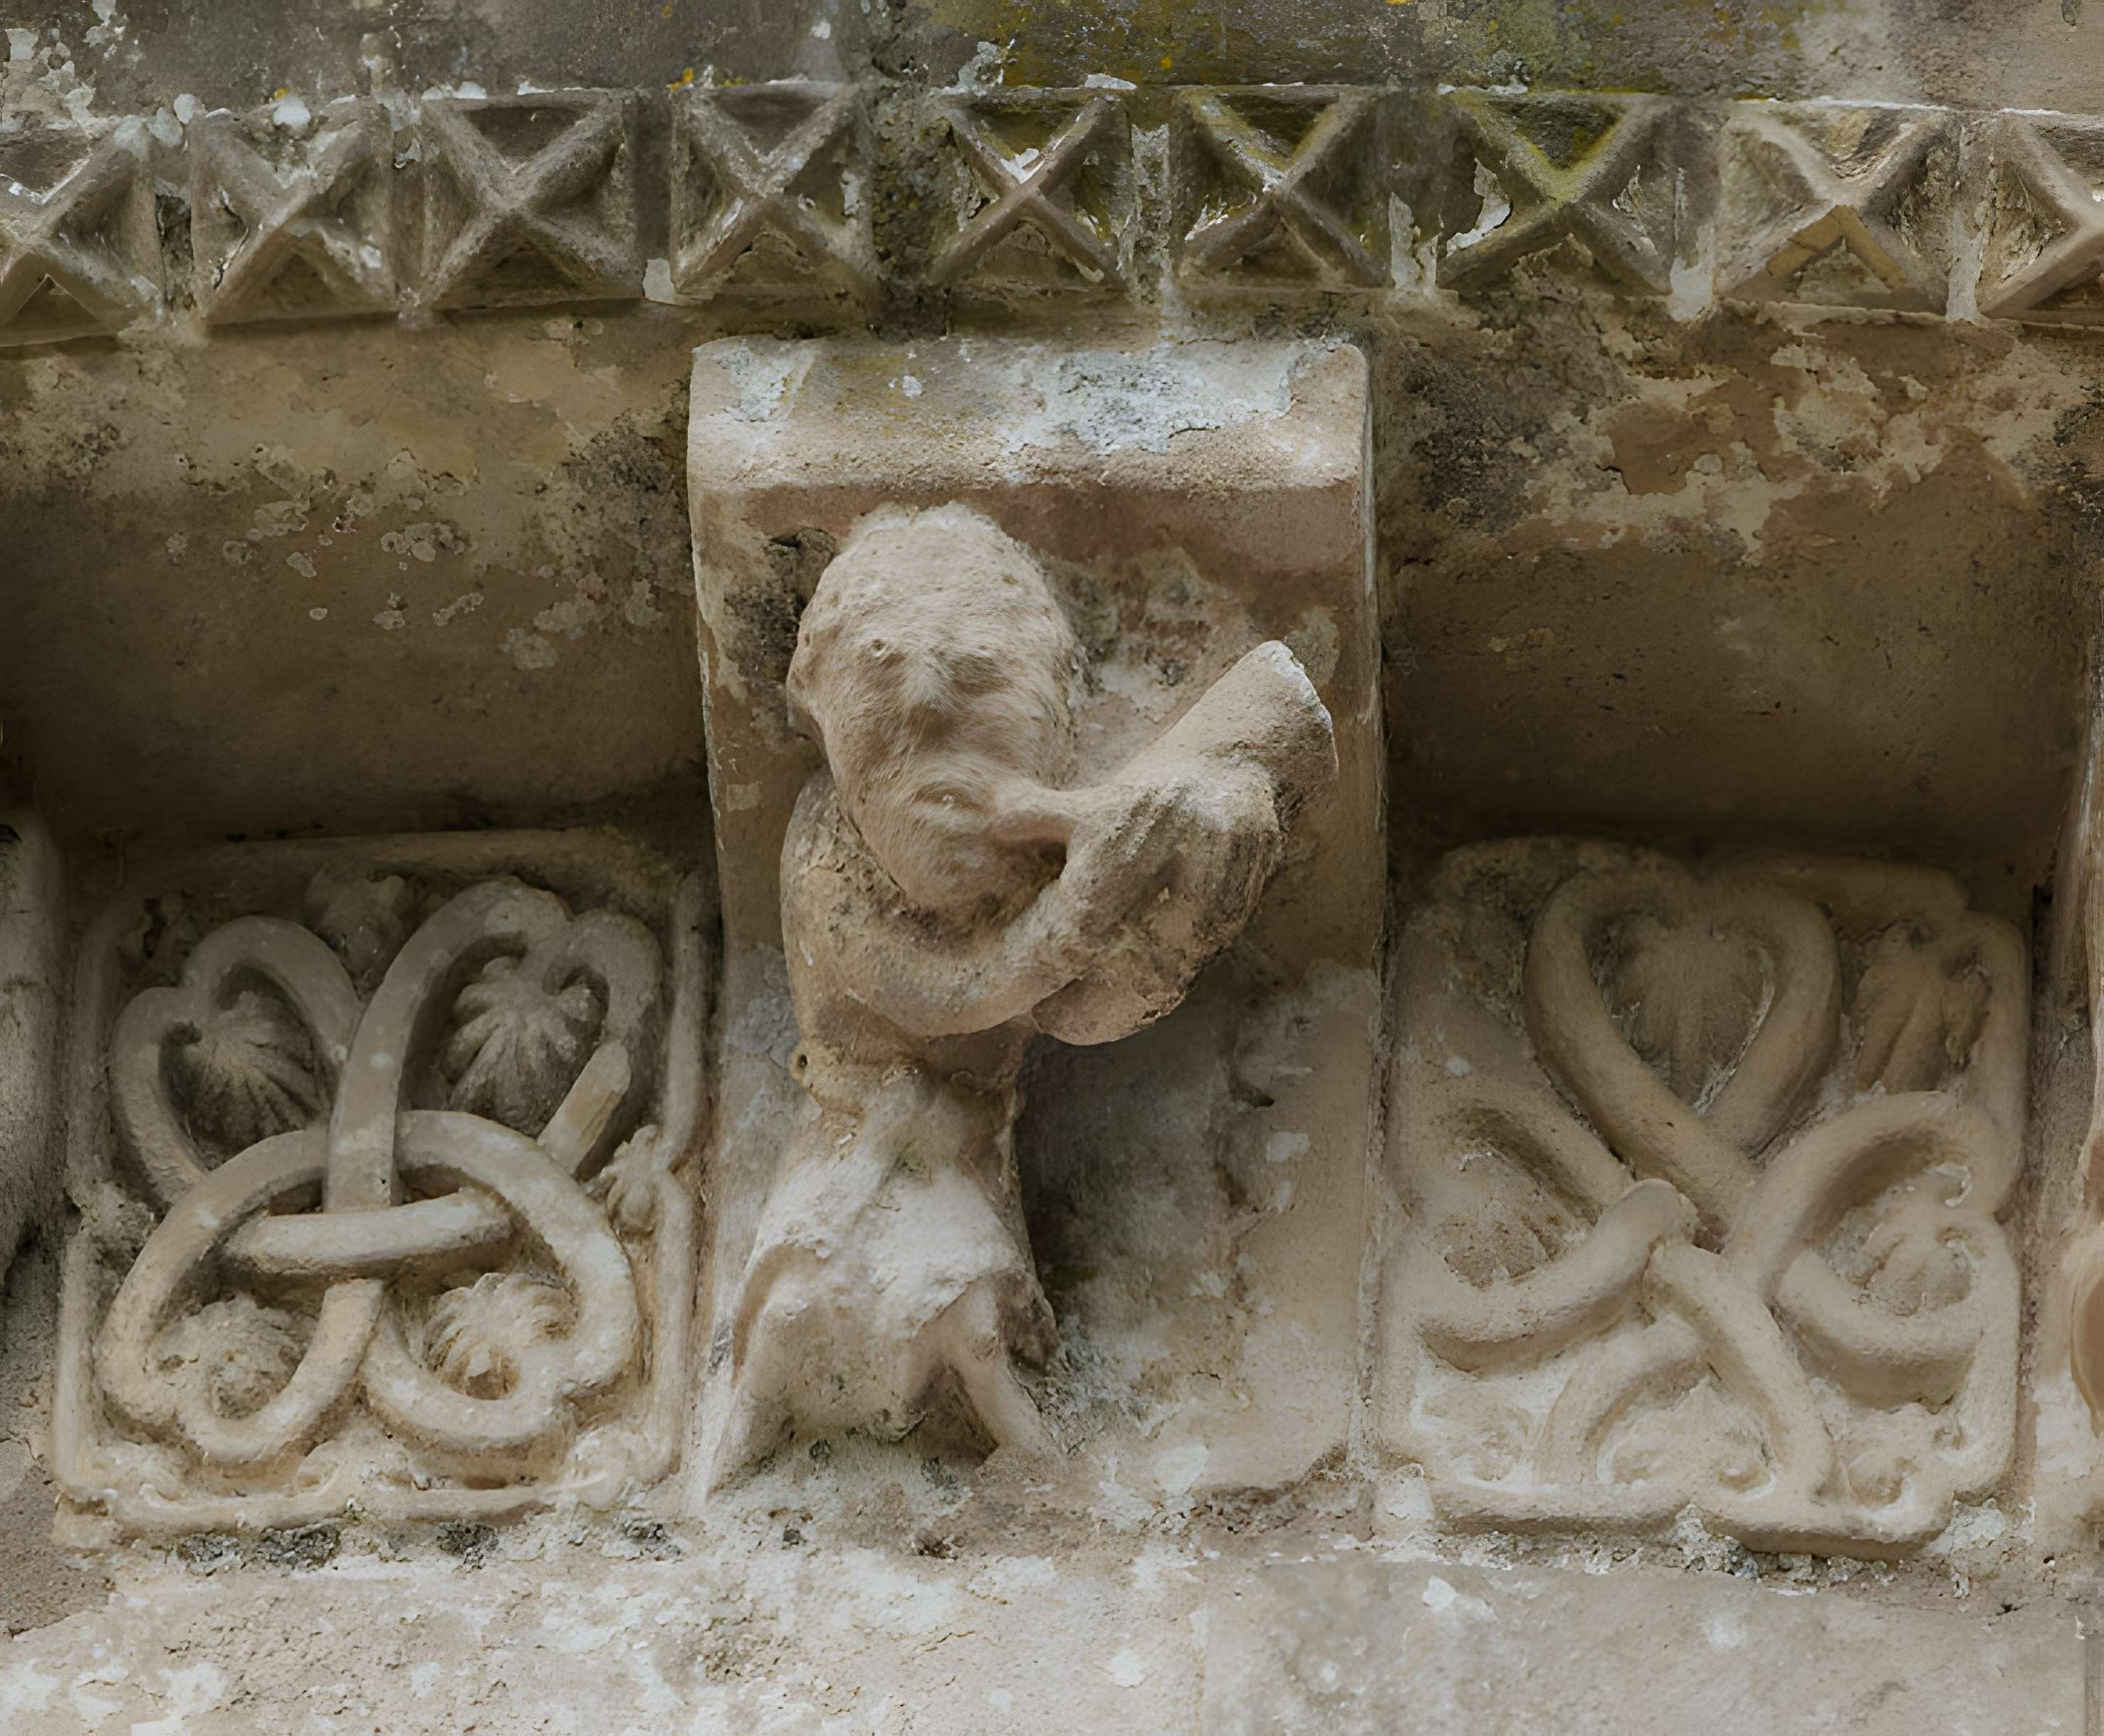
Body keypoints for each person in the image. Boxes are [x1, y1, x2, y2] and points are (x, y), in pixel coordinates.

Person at [714, 503, 1333, 1481]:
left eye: (976, 673)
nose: (921, 700)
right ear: (810, 695)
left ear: (1064, 705)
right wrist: (1085, 901)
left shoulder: (1022, 855)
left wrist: (1193, 895)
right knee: (795, 1305)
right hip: (855, 1132)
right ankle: (729, 1465)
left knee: (967, 1319)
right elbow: (950, 993)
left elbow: (1089, 1011)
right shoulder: (825, 847)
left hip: (960, 1144)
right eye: (879, 666)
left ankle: (1036, 1466)